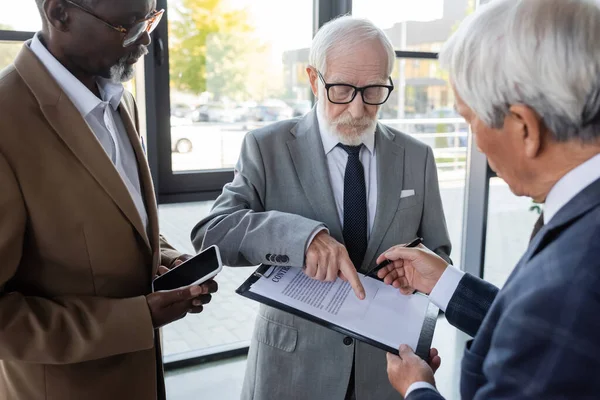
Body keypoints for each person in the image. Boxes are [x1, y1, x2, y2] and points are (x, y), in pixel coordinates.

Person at [192, 15, 452, 400]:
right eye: (343, 89)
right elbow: (212, 232)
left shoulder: (417, 156)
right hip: (291, 371)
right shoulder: (266, 147)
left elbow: (439, 254)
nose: (359, 108)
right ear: (315, 80)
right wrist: (302, 238)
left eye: (374, 89)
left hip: (386, 373)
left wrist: (415, 286)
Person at [380, 0, 600, 398]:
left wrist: (418, 389)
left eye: (469, 120)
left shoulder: (571, 278)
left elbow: (550, 320)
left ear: (524, 127)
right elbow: (538, 336)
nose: (474, 141)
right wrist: (445, 283)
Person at [0, 0, 218, 399]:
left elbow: (121, 217)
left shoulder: (121, 101)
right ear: (60, 13)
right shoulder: (6, 121)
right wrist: (136, 318)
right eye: (129, 26)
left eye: (151, 18)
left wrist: (166, 259)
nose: (147, 39)